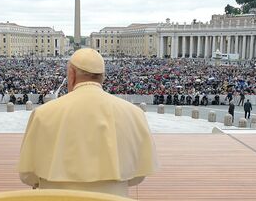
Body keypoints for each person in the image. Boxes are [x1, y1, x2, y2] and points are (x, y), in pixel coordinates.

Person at [18, 48, 157, 197]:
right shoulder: (134, 113)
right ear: (102, 77)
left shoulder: (43, 113)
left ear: (71, 75)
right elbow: (137, 176)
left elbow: (28, 174)